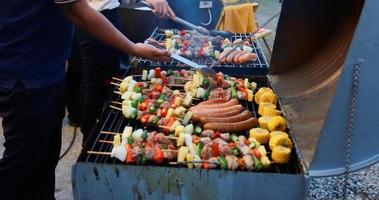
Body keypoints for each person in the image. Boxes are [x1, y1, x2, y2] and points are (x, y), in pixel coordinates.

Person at [0, 0, 171, 199]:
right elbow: (78, 12)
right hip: (28, 75)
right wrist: (133, 48)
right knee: (22, 166)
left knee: (41, 160)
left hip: (33, 67)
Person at [65, 0, 176, 145]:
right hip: (94, 16)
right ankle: (91, 141)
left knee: (99, 81)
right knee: (96, 84)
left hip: (101, 15)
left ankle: (92, 137)